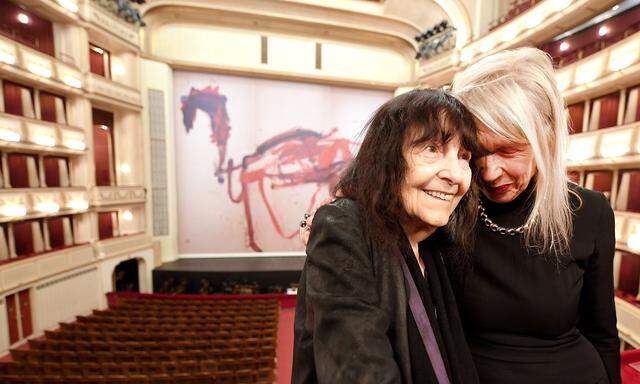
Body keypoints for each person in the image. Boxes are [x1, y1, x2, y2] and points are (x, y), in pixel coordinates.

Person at [447, 47, 620, 384]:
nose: (489, 172)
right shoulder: (448, 207)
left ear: (546, 138)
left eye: (508, 150)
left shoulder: (591, 212)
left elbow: (602, 334)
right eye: (476, 153)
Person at [292, 89, 482, 384]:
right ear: (386, 157)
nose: (455, 175)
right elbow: (359, 372)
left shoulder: (437, 245)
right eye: (432, 149)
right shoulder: (343, 224)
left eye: (463, 156)